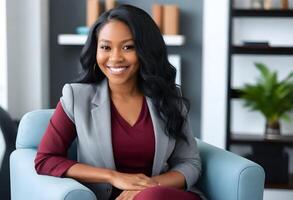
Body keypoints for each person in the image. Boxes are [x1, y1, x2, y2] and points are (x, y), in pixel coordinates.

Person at [35, 4, 204, 200]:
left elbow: (190, 163)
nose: (115, 58)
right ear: (95, 50)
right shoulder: (76, 97)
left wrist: (146, 188)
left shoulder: (169, 98)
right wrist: (113, 177)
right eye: (106, 47)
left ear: (145, 51)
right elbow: (45, 160)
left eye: (128, 47)